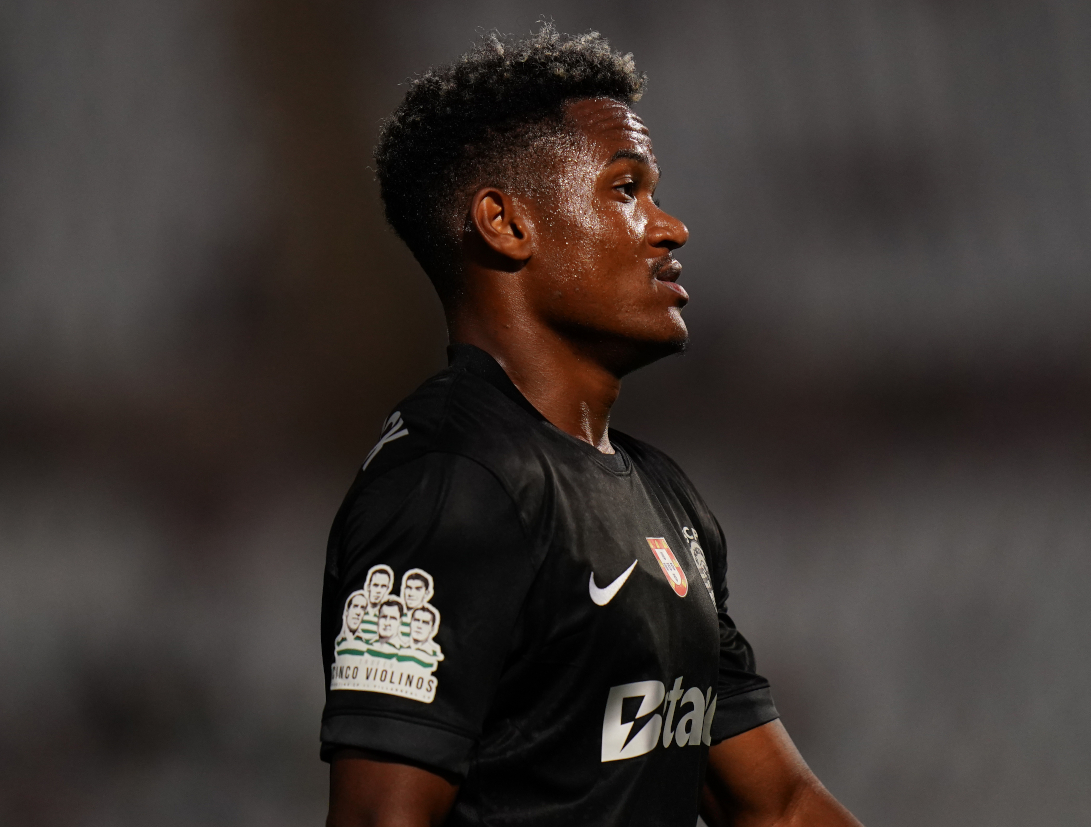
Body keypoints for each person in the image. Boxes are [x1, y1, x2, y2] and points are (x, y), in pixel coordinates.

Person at [320, 25, 863, 827]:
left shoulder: (662, 497)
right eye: (625, 188)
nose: (670, 226)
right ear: (506, 223)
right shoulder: (453, 486)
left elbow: (777, 805)